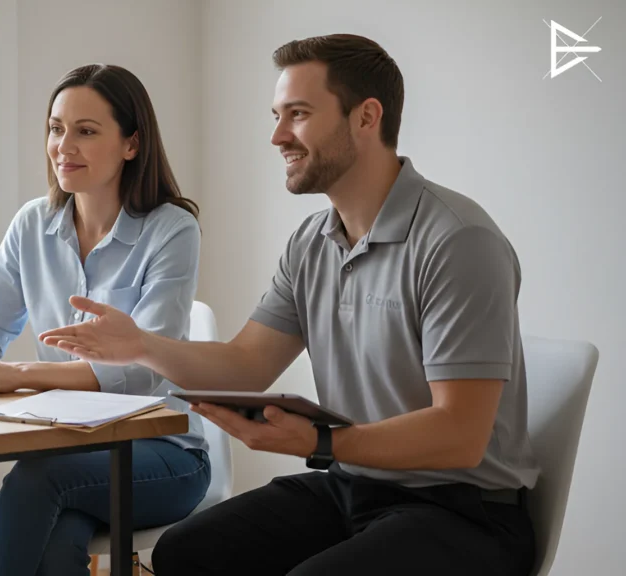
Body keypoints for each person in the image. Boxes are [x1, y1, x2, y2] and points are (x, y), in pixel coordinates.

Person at [39, 34, 538, 576]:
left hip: (465, 515)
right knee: (186, 551)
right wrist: (141, 346)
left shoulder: (456, 240)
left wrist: (323, 440)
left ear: (366, 117)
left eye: (297, 115)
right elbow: (245, 366)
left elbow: (461, 437)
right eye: (277, 115)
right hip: (357, 486)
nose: (277, 136)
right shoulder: (313, 242)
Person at [0, 63, 211, 576]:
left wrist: (14, 375)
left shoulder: (172, 229)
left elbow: (140, 372)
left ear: (132, 144)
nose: (63, 146)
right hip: (75, 446)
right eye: (56, 128)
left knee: (40, 478)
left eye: (86, 131)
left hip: (163, 454)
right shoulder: (33, 223)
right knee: (54, 549)